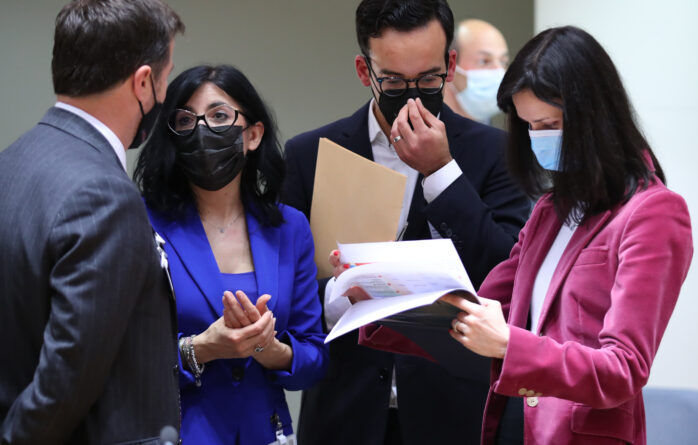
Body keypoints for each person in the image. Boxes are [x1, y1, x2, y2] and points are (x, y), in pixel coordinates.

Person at [359, 26, 694, 444]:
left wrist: (510, 345)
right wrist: (377, 295)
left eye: (551, 123)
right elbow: (476, 305)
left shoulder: (653, 212)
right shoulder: (550, 212)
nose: (541, 139)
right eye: (531, 126)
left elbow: (623, 369)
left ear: (596, 117)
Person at [281, 1, 530, 443]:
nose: (413, 93)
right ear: (365, 71)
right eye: (394, 80)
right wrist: (338, 290)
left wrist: (442, 173)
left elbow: (505, 275)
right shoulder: (309, 154)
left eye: (429, 78)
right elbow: (286, 286)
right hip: (344, 410)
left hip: (454, 412)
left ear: (450, 65)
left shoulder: (495, 152)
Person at [0, 1, 184, 444]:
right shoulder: (104, 195)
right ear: (143, 82)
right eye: (165, 78)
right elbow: (64, 382)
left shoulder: (11, 163)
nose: (163, 93)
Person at [134, 64, 328, 445]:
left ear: (253, 135)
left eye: (219, 116)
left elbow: (314, 358)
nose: (202, 130)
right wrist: (202, 349)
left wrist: (270, 350)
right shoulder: (140, 222)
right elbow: (123, 359)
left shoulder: (290, 228)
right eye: (185, 120)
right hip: (176, 434)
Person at [443, 19, 509, 124]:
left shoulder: (493, 134)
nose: (499, 71)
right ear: (451, 66)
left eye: (503, 62)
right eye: (484, 61)